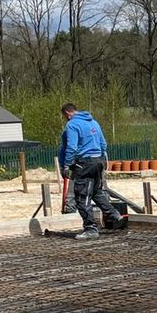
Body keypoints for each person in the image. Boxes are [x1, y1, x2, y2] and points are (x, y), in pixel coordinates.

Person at [58, 103, 127, 240]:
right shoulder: (93, 122)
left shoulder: (72, 125)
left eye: (65, 116)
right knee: (96, 192)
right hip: (98, 162)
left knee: (81, 197)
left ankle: (90, 229)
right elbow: (103, 144)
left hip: (84, 163)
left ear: (67, 113)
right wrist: (99, 158)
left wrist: (66, 165)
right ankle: (115, 216)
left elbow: (71, 146)